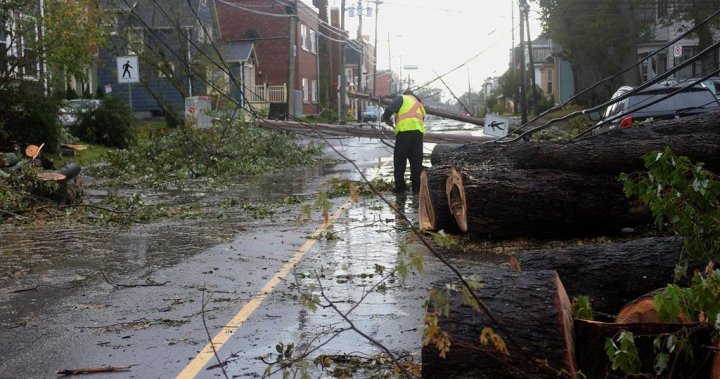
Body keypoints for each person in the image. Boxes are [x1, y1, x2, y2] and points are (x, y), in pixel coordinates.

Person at [382, 89, 426, 193]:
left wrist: (385, 118)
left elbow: (389, 110)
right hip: (418, 134)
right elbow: (422, 118)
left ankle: (400, 187)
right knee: (416, 161)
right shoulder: (419, 103)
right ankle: (416, 187)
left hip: (404, 132)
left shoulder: (402, 98)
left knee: (400, 160)